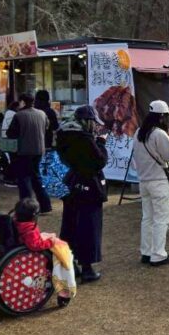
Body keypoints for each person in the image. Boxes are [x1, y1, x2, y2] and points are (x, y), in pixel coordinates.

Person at [55, 105, 108, 282]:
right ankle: (87, 269)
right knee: (89, 227)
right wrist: (101, 143)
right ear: (89, 121)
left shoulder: (64, 135)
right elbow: (99, 161)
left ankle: (70, 265)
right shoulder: (85, 138)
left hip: (72, 183)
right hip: (89, 186)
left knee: (70, 226)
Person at [131, 100, 169, 267]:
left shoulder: (139, 132)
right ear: (162, 116)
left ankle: (147, 252)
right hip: (158, 181)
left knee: (148, 218)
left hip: (144, 180)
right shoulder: (159, 134)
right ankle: (158, 254)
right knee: (162, 219)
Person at [13, 198, 77, 307]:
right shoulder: (30, 229)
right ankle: (64, 291)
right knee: (61, 257)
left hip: (25, 247)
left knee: (60, 246)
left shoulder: (17, 222)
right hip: (31, 255)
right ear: (34, 215)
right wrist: (50, 242)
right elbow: (35, 245)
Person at [6, 93, 51, 213]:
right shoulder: (42, 114)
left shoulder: (19, 115)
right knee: (36, 177)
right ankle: (45, 205)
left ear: (23, 102)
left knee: (24, 178)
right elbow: (47, 127)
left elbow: (11, 133)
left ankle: (27, 208)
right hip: (39, 150)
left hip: (23, 151)